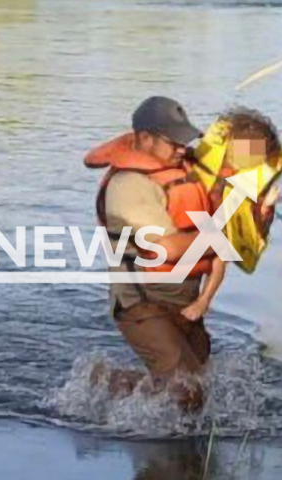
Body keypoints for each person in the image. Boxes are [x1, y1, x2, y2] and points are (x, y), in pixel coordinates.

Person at [84, 96, 218, 411]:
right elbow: (167, 248)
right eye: (174, 142)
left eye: (185, 141)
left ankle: (108, 381)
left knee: (201, 384)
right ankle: (166, 456)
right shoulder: (128, 186)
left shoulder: (181, 170)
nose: (182, 149)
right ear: (144, 138)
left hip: (183, 299)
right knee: (187, 391)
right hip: (141, 303)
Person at [181, 107, 282, 322]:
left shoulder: (256, 183)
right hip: (191, 210)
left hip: (218, 224)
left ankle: (203, 301)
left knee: (221, 254)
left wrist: (267, 207)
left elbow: (259, 231)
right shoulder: (207, 157)